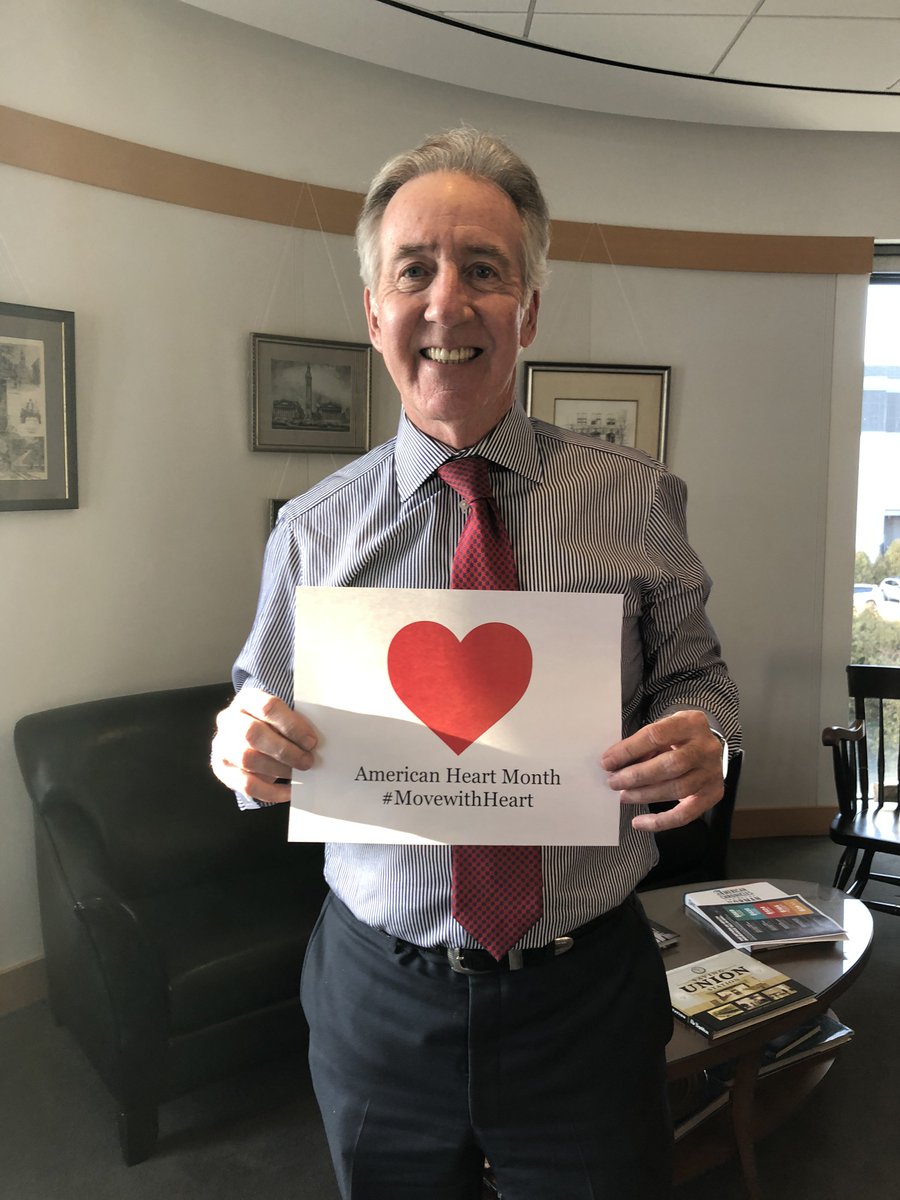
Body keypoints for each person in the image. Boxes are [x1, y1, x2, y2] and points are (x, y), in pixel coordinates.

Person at [211, 128, 740, 1200]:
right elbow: (256, 703)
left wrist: (709, 738)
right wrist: (242, 747)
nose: (446, 301)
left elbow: (699, 678)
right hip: (380, 997)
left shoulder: (636, 499)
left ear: (528, 310)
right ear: (375, 312)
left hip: (584, 996)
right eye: (414, 270)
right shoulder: (311, 530)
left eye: (483, 271)